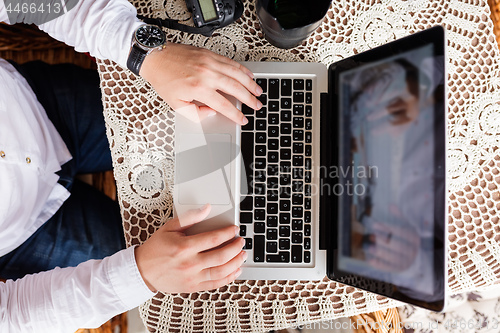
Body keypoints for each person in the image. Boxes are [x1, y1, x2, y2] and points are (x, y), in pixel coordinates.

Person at [0, 0, 263, 331]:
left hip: (35, 107)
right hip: (24, 236)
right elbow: (8, 316)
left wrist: (144, 52)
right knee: (203, 263)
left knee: (213, 119)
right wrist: (142, 273)